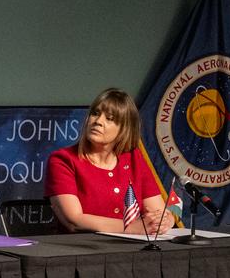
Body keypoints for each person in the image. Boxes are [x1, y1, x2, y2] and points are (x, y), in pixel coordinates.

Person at [46, 87, 165, 233]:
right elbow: (74, 220)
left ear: (124, 129)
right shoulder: (63, 160)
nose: (98, 121)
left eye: (109, 118)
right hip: (82, 249)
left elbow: (157, 211)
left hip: (132, 248)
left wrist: (165, 220)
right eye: (95, 113)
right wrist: (131, 228)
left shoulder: (134, 158)